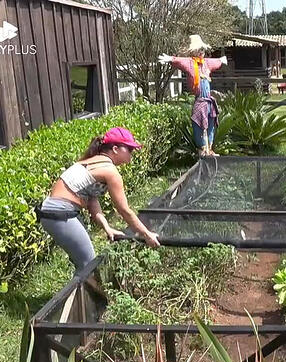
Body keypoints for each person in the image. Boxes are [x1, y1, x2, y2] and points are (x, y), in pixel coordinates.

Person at [37, 127, 160, 272]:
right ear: (115, 149)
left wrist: (107, 227)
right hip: (60, 214)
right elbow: (124, 210)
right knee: (89, 266)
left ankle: (80, 292)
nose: (132, 155)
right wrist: (147, 234)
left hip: (53, 212)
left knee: (83, 263)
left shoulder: (90, 161)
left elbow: (91, 200)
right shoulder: (110, 171)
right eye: (130, 149)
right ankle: (85, 294)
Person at [158, 35, 228, 157]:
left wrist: (221, 60)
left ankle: (209, 148)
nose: (201, 52)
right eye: (199, 50)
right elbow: (180, 61)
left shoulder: (206, 63)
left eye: (202, 50)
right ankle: (201, 149)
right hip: (200, 101)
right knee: (198, 124)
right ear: (194, 51)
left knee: (211, 124)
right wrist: (170, 59)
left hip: (209, 101)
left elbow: (215, 62)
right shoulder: (190, 63)